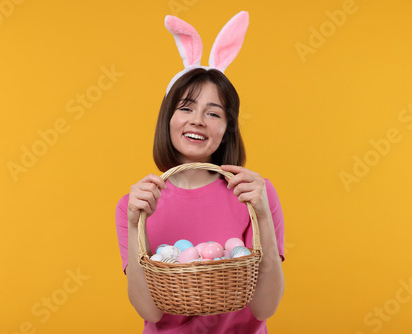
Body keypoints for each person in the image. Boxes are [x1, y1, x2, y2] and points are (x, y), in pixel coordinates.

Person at [115, 12, 285, 334]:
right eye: (186, 108)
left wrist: (263, 216)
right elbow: (149, 311)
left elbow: (265, 307)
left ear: (226, 129)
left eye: (213, 113)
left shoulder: (252, 194)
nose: (198, 120)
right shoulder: (135, 204)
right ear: (168, 118)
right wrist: (136, 223)